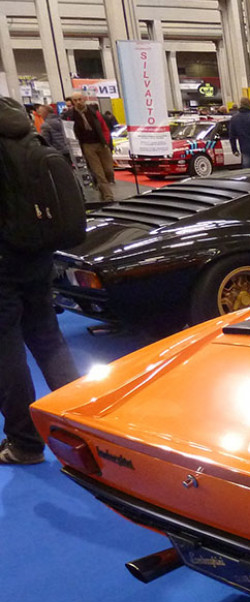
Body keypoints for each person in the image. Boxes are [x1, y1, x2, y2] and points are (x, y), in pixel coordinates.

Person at [0, 97, 83, 465]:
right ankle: (82, 422)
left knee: (6, 351)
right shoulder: (27, 138)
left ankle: (24, 443)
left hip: (3, 261)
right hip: (38, 254)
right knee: (47, 337)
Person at [66, 92, 114, 201]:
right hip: (87, 146)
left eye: (80, 99)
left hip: (101, 144)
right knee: (98, 172)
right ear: (73, 102)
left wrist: (106, 142)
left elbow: (104, 128)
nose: (78, 102)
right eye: (75, 100)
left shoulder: (94, 113)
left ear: (84, 99)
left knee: (108, 171)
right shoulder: (71, 116)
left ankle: (102, 190)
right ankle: (108, 196)